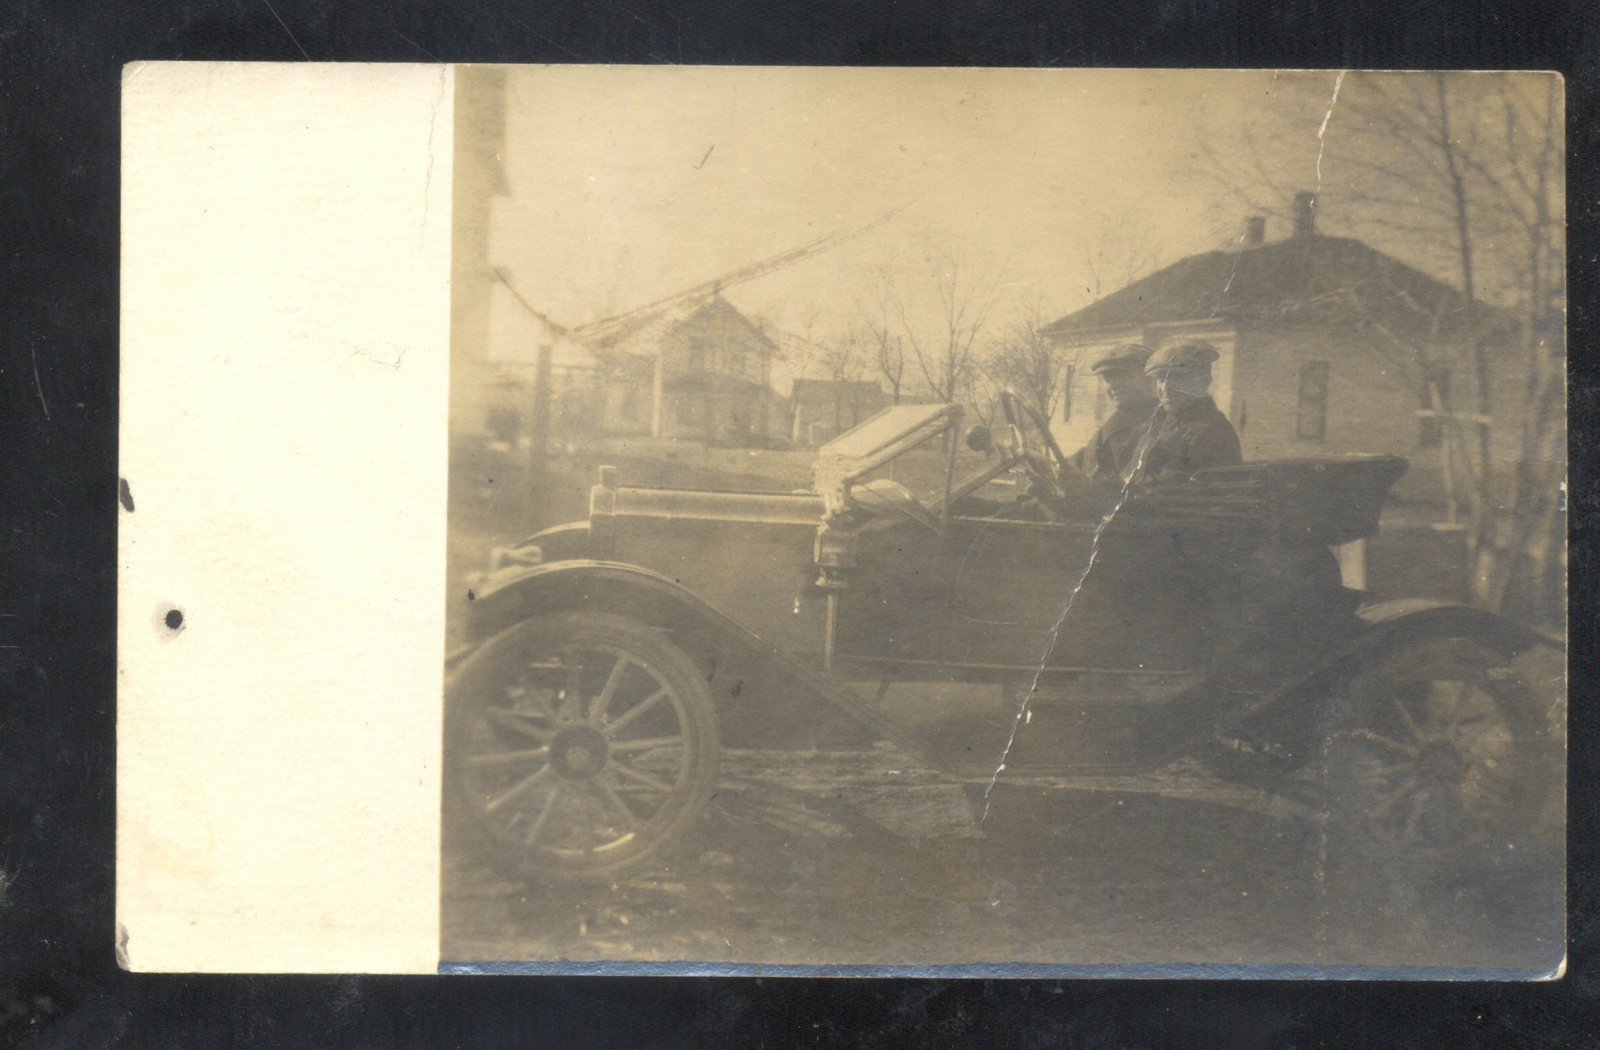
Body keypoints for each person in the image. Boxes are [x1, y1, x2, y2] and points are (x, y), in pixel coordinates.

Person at [1129, 341, 1242, 484]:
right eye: (1161, 379)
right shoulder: (1166, 424)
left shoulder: (1210, 431)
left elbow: (1168, 488)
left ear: (1201, 381)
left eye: (1176, 378)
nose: (1165, 389)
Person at [1068, 344, 1161, 479]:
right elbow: (1091, 457)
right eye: (1108, 378)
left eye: (1123, 376)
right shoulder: (1119, 419)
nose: (1113, 385)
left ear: (1150, 377)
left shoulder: (1160, 423)